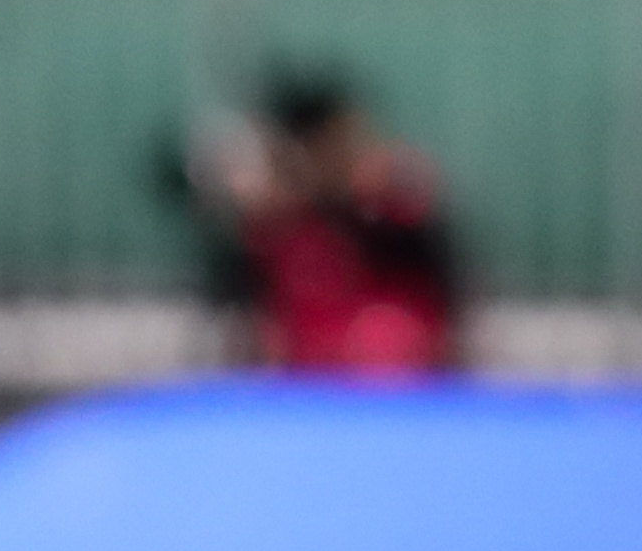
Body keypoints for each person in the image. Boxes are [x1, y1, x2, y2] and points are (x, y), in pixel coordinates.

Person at [177, 69, 464, 374]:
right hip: (309, 385)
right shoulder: (274, 231)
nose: (356, 151)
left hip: (402, 382)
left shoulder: (394, 211)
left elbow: (442, 302)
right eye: (339, 141)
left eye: (356, 139)